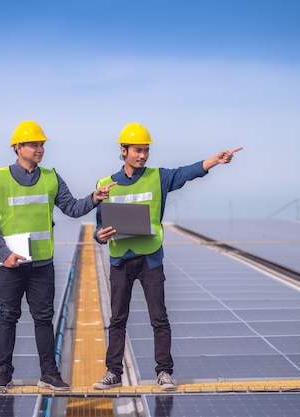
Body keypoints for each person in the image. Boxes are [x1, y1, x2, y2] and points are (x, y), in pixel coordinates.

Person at [92, 122, 242, 391]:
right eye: (138, 150)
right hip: (120, 260)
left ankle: (164, 372)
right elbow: (99, 224)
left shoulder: (158, 177)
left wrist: (215, 161)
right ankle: (113, 372)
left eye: (146, 151)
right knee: (118, 319)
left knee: (158, 317)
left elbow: (188, 172)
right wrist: (99, 236)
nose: (143, 155)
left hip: (150, 259)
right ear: (124, 151)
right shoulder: (105, 184)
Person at [0, 120, 116, 391]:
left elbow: (73, 208)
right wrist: (3, 253)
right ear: (18, 148)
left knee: (44, 319)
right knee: (8, 316)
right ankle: (3, 373)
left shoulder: (51, 177)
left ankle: (49, 374)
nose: (40, 149)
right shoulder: (0, 178)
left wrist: (94, 197)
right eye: (34, 144)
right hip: (10, 264)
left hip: (42, 264)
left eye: (42, 144)